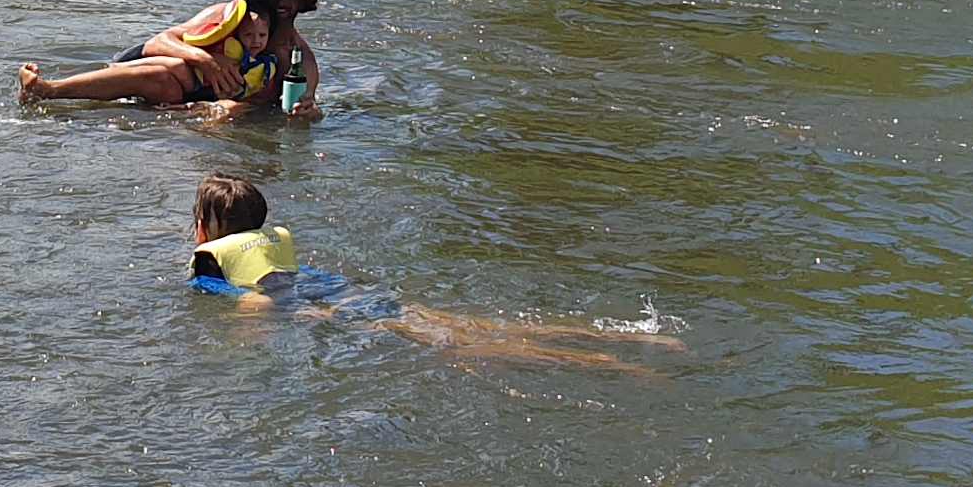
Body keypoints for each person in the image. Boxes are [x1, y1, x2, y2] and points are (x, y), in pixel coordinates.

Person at [182, 174, 665, 373]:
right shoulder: (277, 249)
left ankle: (612, 365)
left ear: (205, 228)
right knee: (464, 324)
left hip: (326, 307)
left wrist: (251, 343)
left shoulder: (210, 267)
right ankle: (623, 340)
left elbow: (257, 303)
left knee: (459, 344)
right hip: (344, 290)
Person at [19, 0, 322, 114]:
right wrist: (206, 60)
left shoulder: (298, 56)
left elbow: (305, 105)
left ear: (301, 4)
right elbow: (157, 43)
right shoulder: (229, 15)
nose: (282, 2)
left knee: (216, 106)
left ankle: (50, 91)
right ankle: (47, 89)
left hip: (198, 99)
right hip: (155, 67)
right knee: (169, 70)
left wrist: (307, 111)